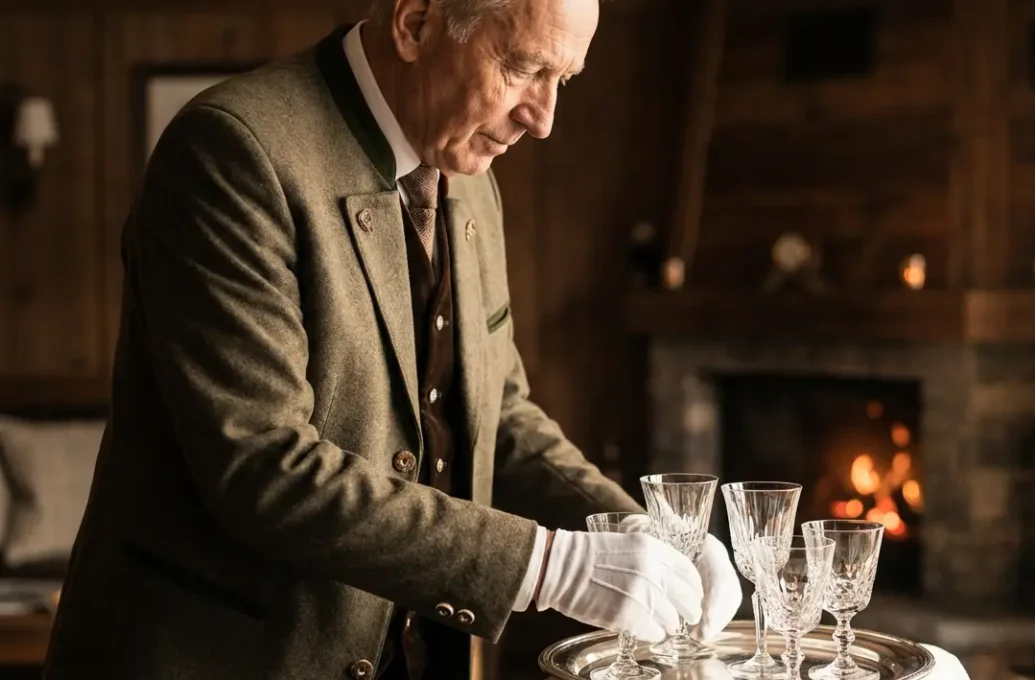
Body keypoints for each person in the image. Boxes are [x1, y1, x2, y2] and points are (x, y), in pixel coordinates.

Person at [41, 0, 742, 677]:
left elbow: (497, 413)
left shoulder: (469, 175)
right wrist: (546, 566)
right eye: (524, 68)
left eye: (563, 80)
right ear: (414, 23)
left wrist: (634, 529)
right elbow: (262, 466)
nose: (544, 118)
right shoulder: (232, 150)